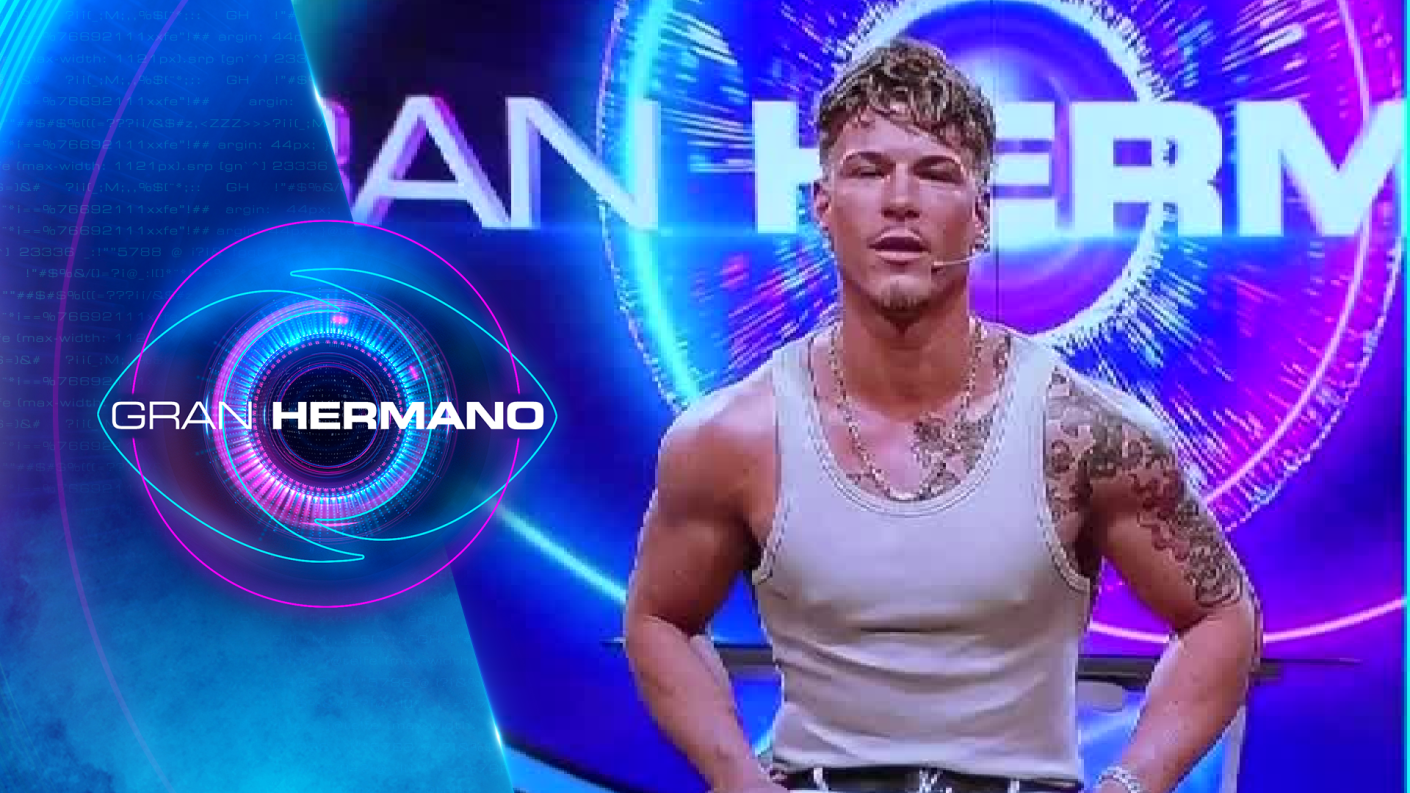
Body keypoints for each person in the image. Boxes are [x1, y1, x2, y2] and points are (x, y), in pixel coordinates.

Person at [622, 37, 1262, 793]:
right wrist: (738, 780)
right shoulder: (733, 437)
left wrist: (1128, 785)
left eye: (934, 173)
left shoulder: (1084, 433)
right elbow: (659, 618)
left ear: (981, 214)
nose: (900, 201)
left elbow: (1223, 617)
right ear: (823, 205)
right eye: (868, 171)